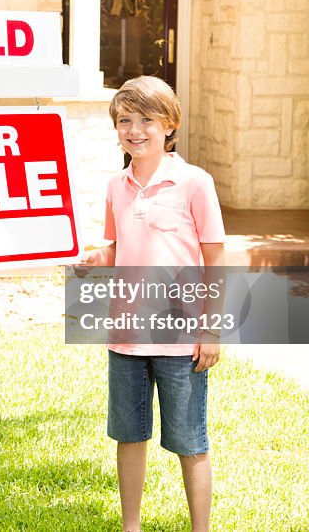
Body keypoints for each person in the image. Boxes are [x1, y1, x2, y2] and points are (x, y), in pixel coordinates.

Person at [81, 76, 225, 532]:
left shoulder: (194, 183)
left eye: (147, 119)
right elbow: (118, 247)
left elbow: (214, 257)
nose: (135, 130)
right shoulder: (116, 187)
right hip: (125, 337)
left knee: (189, 440)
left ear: (169, 125)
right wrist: (96, 259)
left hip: (180, 338)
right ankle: (131, 525)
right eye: (125, 120)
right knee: (129, 434)